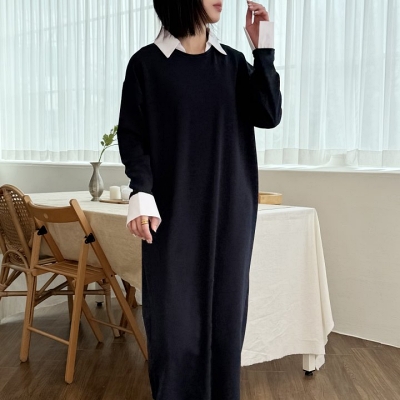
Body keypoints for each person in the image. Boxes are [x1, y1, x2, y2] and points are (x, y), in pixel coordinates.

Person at [117, 0, 281, 399]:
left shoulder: (232, 64)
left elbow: (269, 113)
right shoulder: (147, 65)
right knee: (174, 326)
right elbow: (133, 136)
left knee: (226, 320)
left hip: (232, 210)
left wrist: (263, 49)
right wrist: (141, 189)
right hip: (172, 212)